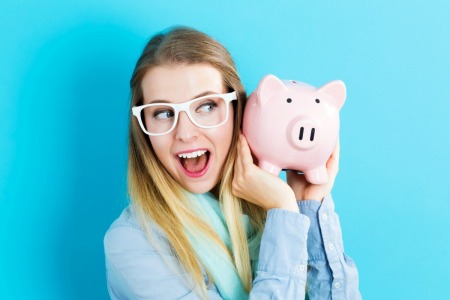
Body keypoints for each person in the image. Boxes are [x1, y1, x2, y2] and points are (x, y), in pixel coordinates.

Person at [104, 26, 361, 300]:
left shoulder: (266, 213)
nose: (185, 133)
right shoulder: (133, 244)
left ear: (238, 109)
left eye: (206, 106)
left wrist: (307, 204)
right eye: (164, 113)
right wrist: (284, 212)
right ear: (143, 128)